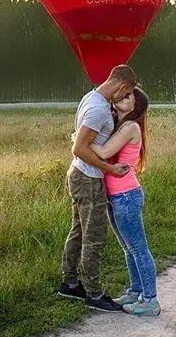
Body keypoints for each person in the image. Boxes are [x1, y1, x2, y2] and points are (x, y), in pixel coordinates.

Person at [57, 64, 138, 312]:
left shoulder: (90, 97)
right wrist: (110, 169)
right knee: (94, 237)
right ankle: (93, 293)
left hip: (79, 174)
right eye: (126, 93)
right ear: (122, 86)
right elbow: (79, 148)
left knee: (79, 231)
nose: (125, 98)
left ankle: (69, 283)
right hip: (88, 178)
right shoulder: (98, 110)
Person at [89, 86, 160, 317]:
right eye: (124, 93)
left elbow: (104, 150)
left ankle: (150, 301)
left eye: (129, 96)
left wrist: (80, 140)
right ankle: (135, 291)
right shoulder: (118, 124)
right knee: (128, 249)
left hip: (126, 196)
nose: (124, 96)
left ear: (135, 106)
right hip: (116, 197)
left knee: (139, 249)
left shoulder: (131, 127)